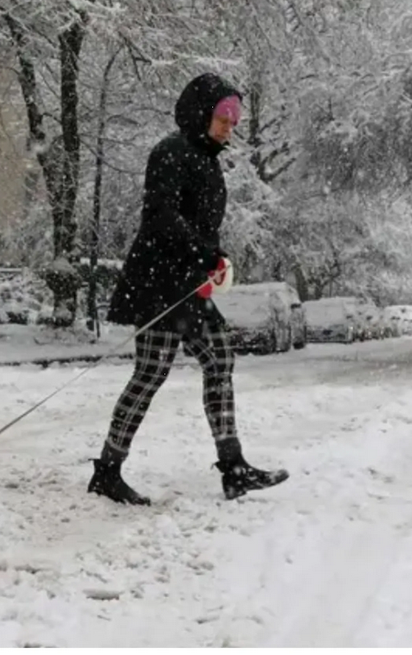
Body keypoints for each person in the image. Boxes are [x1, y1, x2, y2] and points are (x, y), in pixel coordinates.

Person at [91, 73, 289, 505]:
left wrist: (214, 258)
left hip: (188, 284)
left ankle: (234, 468)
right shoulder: (171, 152)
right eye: (223, 118)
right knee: (150, 374)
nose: (229, 128)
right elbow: (162, 216)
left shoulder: (206, 159)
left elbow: (199, 224)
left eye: (234, 121)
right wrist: (205, 255)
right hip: (160, 283)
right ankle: (107, 471)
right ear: (201, 113)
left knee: (220, 359)